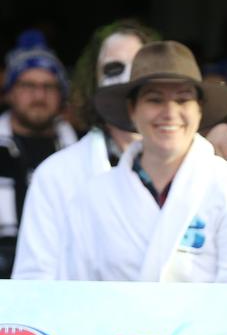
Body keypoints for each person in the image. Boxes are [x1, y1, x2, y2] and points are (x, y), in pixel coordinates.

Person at [63, 41, 227, 284]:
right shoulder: (91, 198)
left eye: (183, 100)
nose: (170, 113)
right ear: (132, 109)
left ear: (200, 109)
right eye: (154, 100)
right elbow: (76, 299)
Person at [13, 20, 157, 280]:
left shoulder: (200, 163)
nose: (127, 79)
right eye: (114, 69)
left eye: (138, 67)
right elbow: (33, 283)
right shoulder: (55, 175)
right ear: (94, 82)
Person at [0, 30, 77, 278]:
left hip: (64, 286)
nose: (39, 96)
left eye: (49, 87)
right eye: (28, 85)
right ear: (10, 91)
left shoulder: (83, 153)